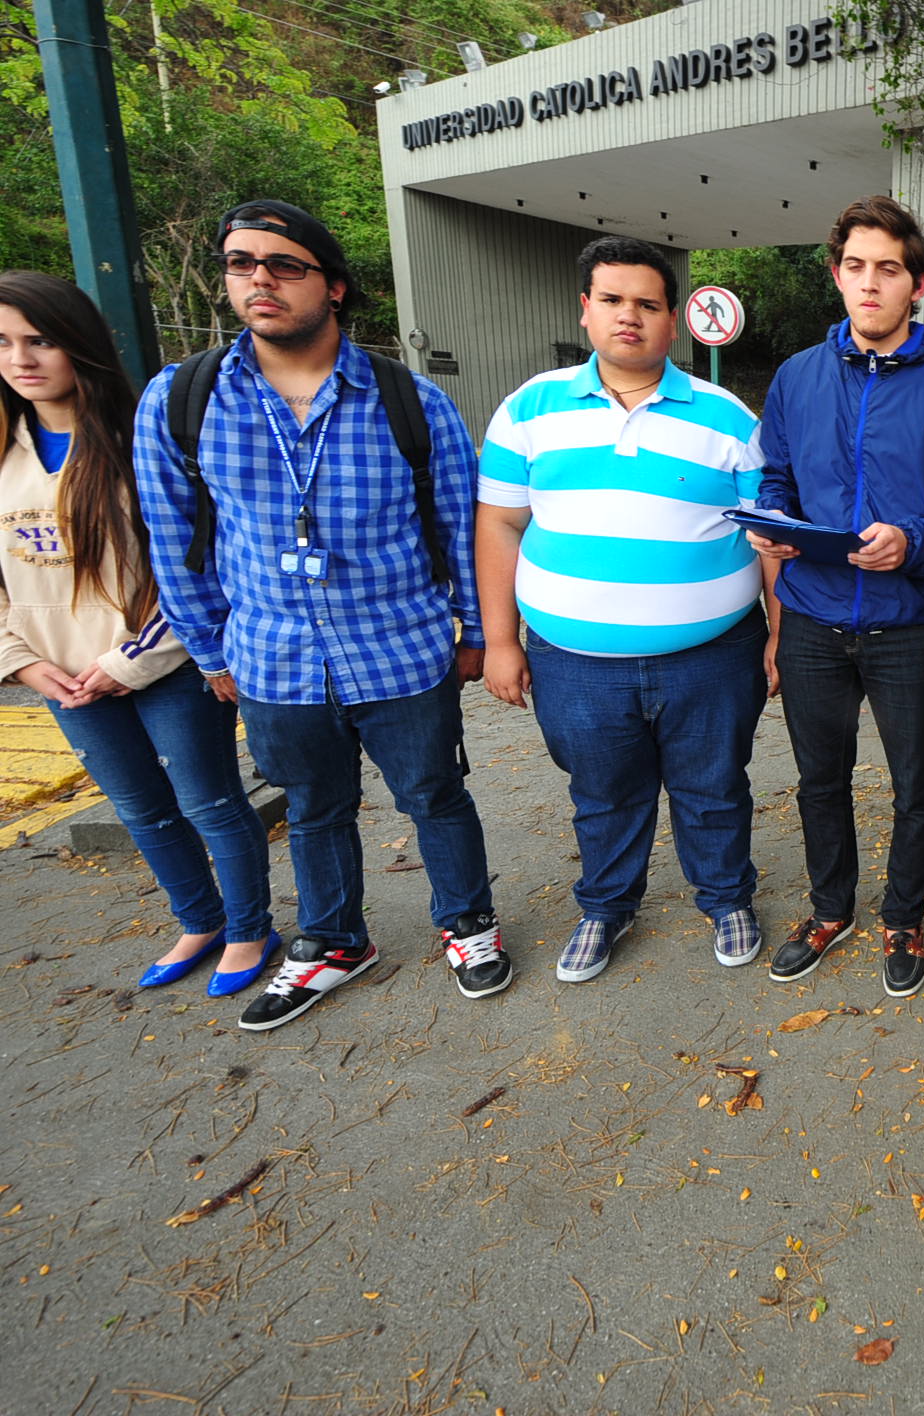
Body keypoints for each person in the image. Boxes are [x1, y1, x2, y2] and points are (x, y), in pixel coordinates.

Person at [134, 199, 506, 1032]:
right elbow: (173, 538)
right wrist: (208, 649)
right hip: (271, 657)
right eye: (241, 263)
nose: (259, 279)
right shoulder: (181, 401)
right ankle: (336, 941)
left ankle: (469, 925)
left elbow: (458, 524)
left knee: (436, 794)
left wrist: (477, 633)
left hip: (402, 650)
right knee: (313, 807)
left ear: (333, 287)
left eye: (284, 265)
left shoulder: (411, 403)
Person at [477, 236, 773, 982]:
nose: (629, 317)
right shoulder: (528, 410)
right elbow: (499, 526)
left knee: (714, 787)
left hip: (711, 655)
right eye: (612, 301)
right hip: (573, 662)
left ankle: (728, 898)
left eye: (647, 303)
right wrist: (500, 643)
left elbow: (771, 539)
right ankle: (606, 908)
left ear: (673, 319)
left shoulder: (728, 419)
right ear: (586, 311)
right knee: (603, 794)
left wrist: (780, 637)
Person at [748, 195, 924, 999]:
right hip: (817, 617)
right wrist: (773, 525)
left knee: (916, 782)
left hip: (911, 622)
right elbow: (777, 476)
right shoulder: (796, 377)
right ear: (836, 274)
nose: (869, 283)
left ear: (916, 284)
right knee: (820, 777)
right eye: (854, 266)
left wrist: (914, 542)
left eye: (887, 269)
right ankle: (830, 910)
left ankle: (902, 916)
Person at [0, 271, 277, 996]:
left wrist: (132, 659)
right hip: (61, 677)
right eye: (3, 343)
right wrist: (25, 665)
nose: (21, 359)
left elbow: (195, 561)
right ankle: (200, 920)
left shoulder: (137, 436)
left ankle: (250, 928)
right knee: (139, 809)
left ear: (79, 345)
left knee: (211, 801)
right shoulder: (3, 449)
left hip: (163, 664)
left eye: (39, 340)